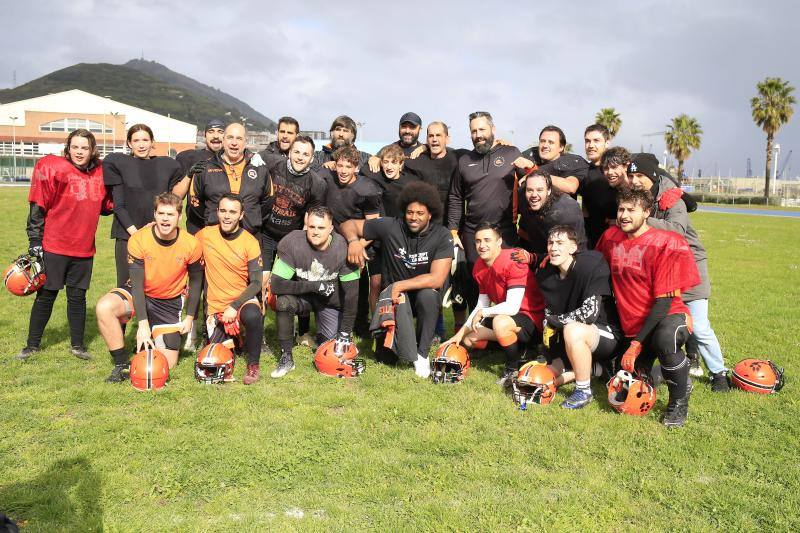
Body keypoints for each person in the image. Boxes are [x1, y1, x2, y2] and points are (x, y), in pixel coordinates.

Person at [596, 188, 700, 428]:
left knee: (666, 340)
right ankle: (674, 376)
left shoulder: (666, 242)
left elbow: (663, 302)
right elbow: (593, 266)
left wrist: (636, 344)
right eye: (621, 209)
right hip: (632, 322)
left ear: (646, 212)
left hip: (668, 315)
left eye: (631, 210)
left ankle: (678, 401)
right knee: (631, 380)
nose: (624, 215)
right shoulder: (611, 238)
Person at [626, 153, 729, 392]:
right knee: (665, 324)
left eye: (640, 175)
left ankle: (719, 373)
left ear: (652, 176)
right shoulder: (638, 198)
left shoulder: (672, 199)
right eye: (631, 176)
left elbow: (677, 231)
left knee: (700, 326)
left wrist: (642, 220)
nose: (634, 180)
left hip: (690, 269)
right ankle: (675, 367)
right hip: (660, 273)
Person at [16, 129, 112, 361]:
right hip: (54, 245)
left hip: (83, 247)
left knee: (78, 298)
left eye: (85, 148)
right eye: (75, 147)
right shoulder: (54, 168)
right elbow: (38, 206)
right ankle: (32, 345)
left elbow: (106, 207)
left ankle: (78, 346)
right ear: (68, 148)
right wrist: (35, 240)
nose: (80, 152)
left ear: (92, 150)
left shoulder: (99, 172)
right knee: (46, 296)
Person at [341, 181, 453, 378]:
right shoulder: (391, 225)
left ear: (430, 214)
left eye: (420, 213)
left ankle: (422, 354)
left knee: (429, 296)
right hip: (393, 302)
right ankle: (393, 341)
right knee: (387, 359)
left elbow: (437, 279)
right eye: (410, 212)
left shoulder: (442, 235)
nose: (414, 217)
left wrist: (400, 285)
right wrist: (353, 243)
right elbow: (348, 224)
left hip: (419, 296)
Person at [96, 193, 202, 382]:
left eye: (170, 214)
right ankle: (122, 364)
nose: (165, 219)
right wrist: (142, 325)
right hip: (139, 293)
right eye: (161, 213)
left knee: (166, 365)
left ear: (179, 216)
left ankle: (148, 343)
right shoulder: (139, 239)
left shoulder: (191, 244)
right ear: (154, 214)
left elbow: (195, 281)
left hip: (169, 301)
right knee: (105, 307)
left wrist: (190, 317)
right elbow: (136, 284)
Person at [526, 225, 622, 408]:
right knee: (548, 371)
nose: (553, 247)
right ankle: (597, 369)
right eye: (550, 242)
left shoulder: (591, 264)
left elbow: (589, 314)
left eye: (560, 243)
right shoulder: (546, 274)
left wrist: (554, 321)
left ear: (573, 248)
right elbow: (549, 320)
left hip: (605, 333)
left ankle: (583, 391)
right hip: (571, 336)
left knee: (572, 329)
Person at [447, 111, 528, 317]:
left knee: (506, 279)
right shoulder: (464, 160)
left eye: (482, 129)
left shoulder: (511, 153)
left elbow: (531, 182)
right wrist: (454, 231)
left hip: (505, 230)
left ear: (493, 129)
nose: (478, 134)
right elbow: (456, 197)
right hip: (474, 232)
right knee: (477, 282)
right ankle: (477, 330)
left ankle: (506, 329)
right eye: (473, 131)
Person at [446, 222, 545, 384]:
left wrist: (484, 313)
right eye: (478, 241)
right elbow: (481, 305)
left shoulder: (513, 260)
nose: (482, 245)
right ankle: (522, 351)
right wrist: (459, 335)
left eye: (487, 240)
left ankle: (511, 369)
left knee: (500, 322)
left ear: (499, 242)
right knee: (470, 340)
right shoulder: (479, 265)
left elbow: (512, 307)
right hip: (509, 318)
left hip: (533, 319)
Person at [269, 207, 360, 377]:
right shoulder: (293, 242)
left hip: (330, 303)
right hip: (303, 299)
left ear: (331, 228)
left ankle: (323, 333)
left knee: (330, 350)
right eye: (312, 227)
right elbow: (277, 285)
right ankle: (286, 357)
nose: (315, 232)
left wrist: (345, 332)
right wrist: (314, 286)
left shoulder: (344, 248)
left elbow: (352, 296)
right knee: (282, 302)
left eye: (321, 228)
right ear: (306, 225)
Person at [196, 194, 265, 384]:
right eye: (223, 211)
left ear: (241, 215)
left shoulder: (250, 242)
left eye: (233, 212)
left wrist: (234, 306)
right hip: (216, 308)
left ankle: (253, 365)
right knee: (220, 360)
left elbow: (257, 283)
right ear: (217, 212)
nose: (227, 216)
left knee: (253, 315)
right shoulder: (204, 235)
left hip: (241, 301)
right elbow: (182, 245)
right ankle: (237, 339)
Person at [103, 124, 183, 287]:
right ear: (129, 144)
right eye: (136, 140)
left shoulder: (166, 166)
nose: (141, 144)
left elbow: (172, 200)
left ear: (152, 142)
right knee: (127, 287)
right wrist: (137, 234)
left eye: (145, 140)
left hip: (157, 234)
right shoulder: (119, 163)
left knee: (155, 286)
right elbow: (118, 206)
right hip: (128, 235)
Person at [322, 145, 382, 337]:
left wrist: (356, 247)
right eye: (340, 165)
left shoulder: (367, 189)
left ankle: (361, 325)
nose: (343, 170)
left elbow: (373, 226)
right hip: (334, 242)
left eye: (348, 166)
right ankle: (332, 321)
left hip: (361, 241)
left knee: (359, 286)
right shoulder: (327, 178)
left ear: (356, 168)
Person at [173, 118, 226, 234]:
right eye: (211, 131)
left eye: (220, 132)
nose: (216, 136)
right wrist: (189, 175)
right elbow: (176, 196)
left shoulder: (232, 159)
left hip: (224, 224)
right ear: (205, 135)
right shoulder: (189, 157)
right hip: (196, 225)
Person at [517, 169, 587, 255]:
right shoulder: (521, 195)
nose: (534, 195)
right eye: (530, 190)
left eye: (540, 190)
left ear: (549, 190)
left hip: (566, 256)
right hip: (536, 248)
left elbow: (577, 251)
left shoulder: (567, 211)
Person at [522, 125, 589, 195]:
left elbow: (571, 187)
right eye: (542, 141)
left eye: (551, 142)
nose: (545, 145)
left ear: (561, 147)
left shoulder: (571, 162)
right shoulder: (529, 156)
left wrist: (536, 173)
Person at [580, 124, 618, 248]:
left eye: (596, 141)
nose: (591, 145)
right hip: (594, 241)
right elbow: (586, 208)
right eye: (587, 141)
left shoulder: (619, 168)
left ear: (607, 143)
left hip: (620, 238)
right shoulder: (584, 171)